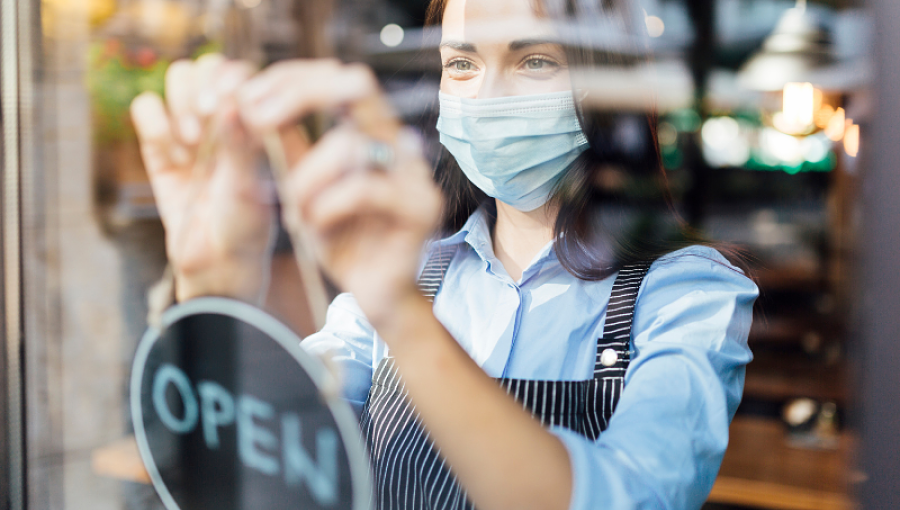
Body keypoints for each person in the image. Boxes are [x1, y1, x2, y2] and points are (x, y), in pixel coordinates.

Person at [130, 0, 758, 508]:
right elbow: (267, 466)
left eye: (535, 60)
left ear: (607, 83)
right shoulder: (405, 276)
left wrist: (404, 318)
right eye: (461, 64)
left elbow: (629, 498)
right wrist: (210, 288)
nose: (485, 96)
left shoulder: (686, 292)